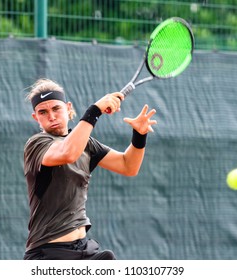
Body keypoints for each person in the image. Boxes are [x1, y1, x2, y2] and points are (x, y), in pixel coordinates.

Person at [23, 78, 157, 260]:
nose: (52, 116)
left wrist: (139, 136)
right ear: (35, 117)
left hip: (83, 249)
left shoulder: (85, 143)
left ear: (68, 108)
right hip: (49, 253)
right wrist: (94, 111)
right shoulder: (37, 144)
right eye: (43, 112)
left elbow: (128, 166)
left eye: (56, 108)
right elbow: (68, 153)